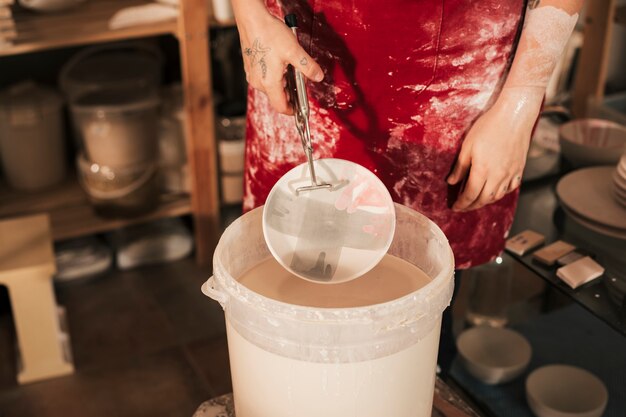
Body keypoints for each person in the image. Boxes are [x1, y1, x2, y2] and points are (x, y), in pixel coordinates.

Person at [231, 0, 583, 373]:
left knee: (420, 303)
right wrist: (249, 15)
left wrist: (521, 99)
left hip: (455, 86)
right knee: (292, 297)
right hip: (302, 55)